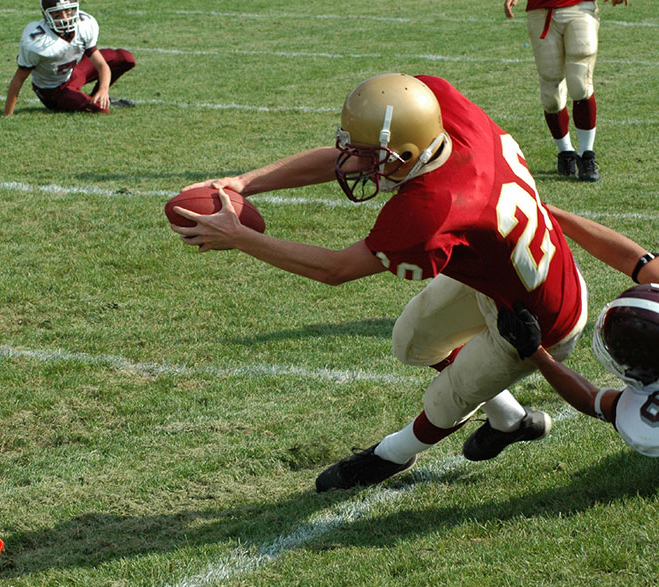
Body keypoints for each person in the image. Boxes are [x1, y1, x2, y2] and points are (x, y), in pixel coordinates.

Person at [170, 73, 587, 492]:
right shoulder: (434, 108)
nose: (359, 164)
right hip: (501, 270)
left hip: (538, 317)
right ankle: (510, 419)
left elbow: (335, 270)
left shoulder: (432, 209)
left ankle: (391, 454)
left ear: (406, 153)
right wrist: (244, 182)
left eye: (373, 158)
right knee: (413, 341)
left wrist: (240, 237)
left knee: (448, 396)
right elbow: (356, 155)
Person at [497, 283, 659, 457]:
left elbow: (592, 400)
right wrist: (536, 352)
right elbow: (592, 400)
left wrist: (534, 351)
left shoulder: (646, 424)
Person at [503, 0, 629, 182]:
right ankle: (566, 152)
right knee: (551, 94)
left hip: (580, 8)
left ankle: (586, 154)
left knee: (581, 84)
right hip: (542, 11)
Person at [4, 0, 136, 116]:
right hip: (53, 90)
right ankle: (96, 102)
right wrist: (7, 114)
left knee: (126, 58)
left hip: (73, 73)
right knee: (101, 110)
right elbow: (19, 79)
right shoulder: (37, 41)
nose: (64, 18)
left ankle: (98, 97)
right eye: (57, 14)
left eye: (68, 11)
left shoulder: (84, 26)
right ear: (46, 15)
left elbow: (102, 65)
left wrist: (103, 90)